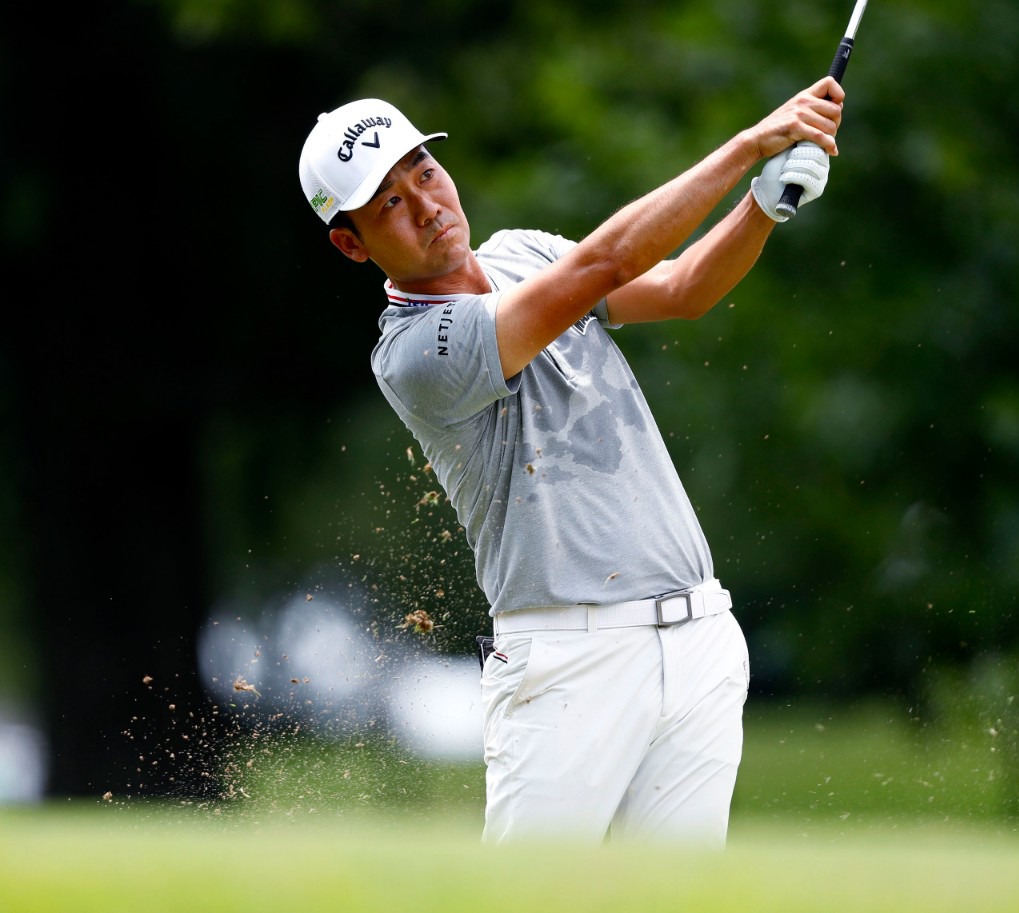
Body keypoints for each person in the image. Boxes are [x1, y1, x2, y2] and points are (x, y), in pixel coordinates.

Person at [297, 78, 844, 845]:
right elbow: (602, 265)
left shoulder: (522, 252)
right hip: (566, 664)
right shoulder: (414, 354)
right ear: (351, 243)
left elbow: (683, 288)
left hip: (697, 639)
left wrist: (762, 205)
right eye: (388, 202)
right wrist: (753, 142)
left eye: (424, 172)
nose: (425, 205)